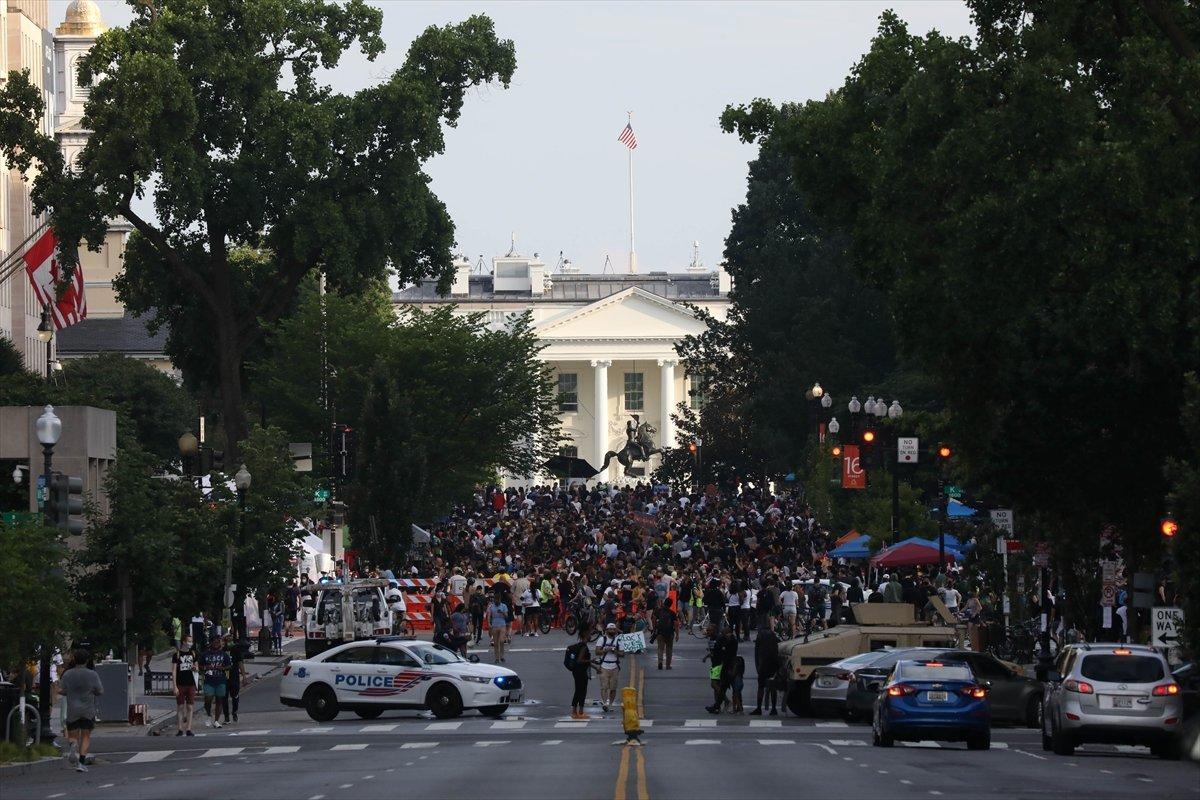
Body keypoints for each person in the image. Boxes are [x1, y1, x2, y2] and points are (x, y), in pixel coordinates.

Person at [58, 650, 102, 772]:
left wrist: (70, 692)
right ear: (87, 660)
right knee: (86, 736)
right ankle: (81, 763)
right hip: (88, 710)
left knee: (73, 735)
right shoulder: (92, 674)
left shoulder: (67, 674)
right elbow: (100, 691)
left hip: (73, 709)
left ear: (74, 659)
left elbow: (60, 690)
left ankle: (73, 745)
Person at [705, 627, 738, 714]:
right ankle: (717, 706)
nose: (707, 631)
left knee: (715, 684)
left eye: (709, 630)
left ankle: (726, 702)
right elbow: (716, 651)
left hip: (719, 665)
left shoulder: (723, 640)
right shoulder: (718, 639)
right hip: (717, 665)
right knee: (719, 686)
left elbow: (723, 652)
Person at [200, 637, 231, 728]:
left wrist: (223, 668)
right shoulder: (205, 654)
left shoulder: (224, 655)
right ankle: (209, 714)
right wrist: (206, 667)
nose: (217, 644)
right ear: (211, 643)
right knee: (208, 698)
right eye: (215, 642)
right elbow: (200, 665)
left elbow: (229, 666)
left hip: (221, 679)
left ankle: (216, 720)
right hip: (209, 680)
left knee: (219, 700)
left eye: (218, 642)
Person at [750, 625, 781, 716]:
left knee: (761, 687)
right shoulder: (773, 636)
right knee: (772, 687)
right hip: (773, 665)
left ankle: (759, 708)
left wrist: (758, 667)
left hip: (763, 665)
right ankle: (774, 708)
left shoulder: (760, 636)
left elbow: (757, 654)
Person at [172, 635, 199, 736]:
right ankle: (179, 728)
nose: (190, 643)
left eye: (191, 641)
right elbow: (174, 670)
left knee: (190, 706)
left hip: (191, 683)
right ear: (183, 642)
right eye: (188, 641)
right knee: (180, 706)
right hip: (180, 683)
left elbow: (197, 667)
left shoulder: (193, 653)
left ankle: (188, 728)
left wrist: (195, 668)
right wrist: (174, 686)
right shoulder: (177, 655)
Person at [567, 632, 595, 720]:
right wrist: (591, 660)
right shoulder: (584, 647)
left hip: (577, 671)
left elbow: (584, 660)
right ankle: (578, 712)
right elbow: (580, 660)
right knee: (581, 691)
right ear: (585, 636)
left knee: (579, 690)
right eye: (589, 635)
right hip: (581, 672)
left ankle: (576, 711)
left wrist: (595, 667)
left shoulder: (579, 645)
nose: (591, 636)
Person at [596, 622, 622, 711]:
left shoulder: (618, 640)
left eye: (613, 629)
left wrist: (615, 651)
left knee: (613, 688)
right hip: (604, 666)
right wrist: (605, 650)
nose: (612, 631)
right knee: (604, 686)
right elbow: (597, 651)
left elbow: (622, 654)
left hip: (614, 666)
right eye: (610, 629)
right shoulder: (602, 639)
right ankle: (604, 703)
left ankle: (610, 704)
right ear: (606, 630)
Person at [223, 635, 248, 724]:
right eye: (226, 639)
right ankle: (226, 716)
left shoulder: (236, 649)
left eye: (230, 639)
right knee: (224, 697)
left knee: (235, 695)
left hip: (234, 675)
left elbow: (240, 662)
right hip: (224, 676)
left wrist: (244, 676)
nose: (228, 641)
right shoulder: (222, 650)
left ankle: (234, 712)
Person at [654, 599, 678, 670]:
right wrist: (677, 634)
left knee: (660, 648)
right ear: (670, 605)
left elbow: (654, 619)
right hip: (670, 633)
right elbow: (676, 624)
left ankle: (660, 662)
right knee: (669, 649)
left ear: (664, 603)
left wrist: (655, 627)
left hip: (660, 632)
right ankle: (668, 665)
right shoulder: (672, 613)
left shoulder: (658, 611)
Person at [486, 593, 509, 663]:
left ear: (500, 600)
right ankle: (497, 658)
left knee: (502, 641)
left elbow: (506, 616)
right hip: (494, 625)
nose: (497, 601)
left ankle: (502, 656)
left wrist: (502, 612)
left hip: (502, 625)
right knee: (495, 643)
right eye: (495, 599)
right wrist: (489, 623)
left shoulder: (503, 606)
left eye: (498, 600)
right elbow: (489, 615)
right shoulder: (491, 606)